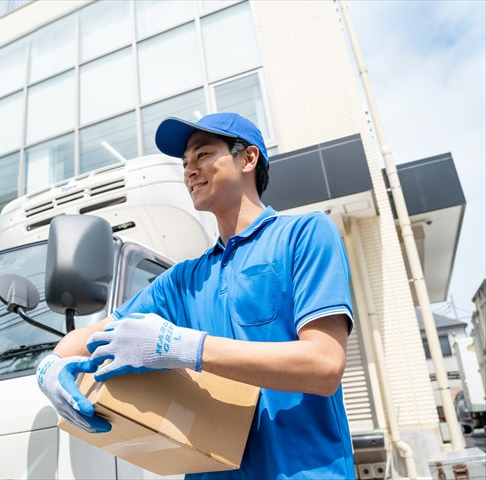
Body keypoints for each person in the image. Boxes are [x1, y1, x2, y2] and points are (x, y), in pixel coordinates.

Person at [36, 112, 355, 479]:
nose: (189, 170)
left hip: (304, 471)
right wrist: (50, 366)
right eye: (185, 163)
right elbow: (89, 339)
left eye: (202, 155)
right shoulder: (183, 279)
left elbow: (325, 365)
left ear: (248, 158)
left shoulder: (305, 234)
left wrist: (183, 346)